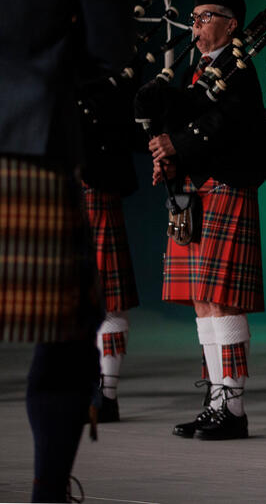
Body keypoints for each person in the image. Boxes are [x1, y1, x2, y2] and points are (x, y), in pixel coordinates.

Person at [0, 0, 130, 497]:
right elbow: (111, 42)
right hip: (27, 147)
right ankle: (49, 491)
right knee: (70, 325)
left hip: (32, 140)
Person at [148, 0, 266, 441]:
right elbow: (184, 125)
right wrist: (169, 156)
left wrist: (177, 143)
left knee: (222, 300)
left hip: (226, 187)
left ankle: (232, 407)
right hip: (195, 191)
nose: (195, 26)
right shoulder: (195, 72)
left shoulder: (239, 69)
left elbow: (227, 124)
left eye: (205, 17)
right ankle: (216, 397)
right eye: (193, 18)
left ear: (231, 23)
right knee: (203, 300)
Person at [77, 67, 142, 424]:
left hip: (97, 183)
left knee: (108, 296)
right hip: (60, 189)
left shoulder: (110, 72)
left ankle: (107, 392)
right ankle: (85, 385)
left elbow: (127, 130)